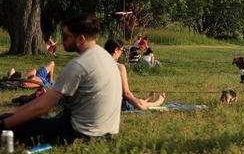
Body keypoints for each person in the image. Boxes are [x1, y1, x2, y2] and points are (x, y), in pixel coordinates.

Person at [0, 14, 122, 145]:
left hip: (78, 134)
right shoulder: (104, 56)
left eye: (65, 37)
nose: (61, 40)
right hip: (105, 133)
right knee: (27, 117)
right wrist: (13, 113)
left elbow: (42, 107)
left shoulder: (79, 64)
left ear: (80, 39)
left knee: (18, 124)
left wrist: (4, 123)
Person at [103, 39, 166, 110]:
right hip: (118, 104)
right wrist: (139, 105)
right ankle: (157, 103)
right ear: (116, 50)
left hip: (102, 102)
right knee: (139, 103)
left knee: (137, 101)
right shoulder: (119, 67)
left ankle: (147, 100)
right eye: (122, 50)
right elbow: (126, 93)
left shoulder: (98, 65)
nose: (122, 53)